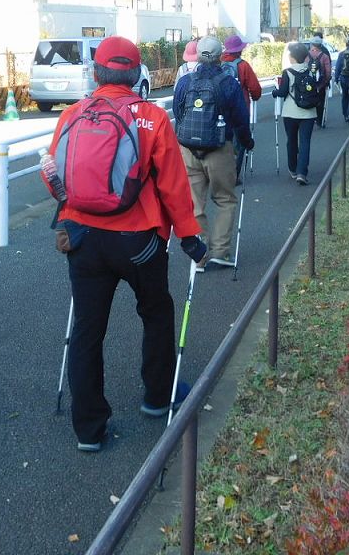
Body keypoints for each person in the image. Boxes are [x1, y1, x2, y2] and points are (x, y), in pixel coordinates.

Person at [46, 36, 208, 453]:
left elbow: (56, 177)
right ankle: (157, 396)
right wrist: (190, 237)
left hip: (82, 239)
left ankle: (89, 428)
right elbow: (174, 186)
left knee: (87, 327)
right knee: (155, 312)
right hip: (138, 240)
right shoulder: (152, 118)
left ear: (95, 73)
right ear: (137, 75)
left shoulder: (71, 116)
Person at [172, 35, 254, 270]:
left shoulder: (185, 82)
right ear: (220, 56)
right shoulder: (228, 83)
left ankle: (200, 255)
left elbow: (179, 112)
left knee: (195, 203)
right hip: (219, 148)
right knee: (224, 199)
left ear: (197, 56)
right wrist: (247, 142)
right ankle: (220, 251)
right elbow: (240, 119)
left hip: (188, 149)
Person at [272, 42, 317, 185]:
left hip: (290, 113)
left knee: (291, 141)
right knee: (305, 142)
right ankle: (302, 173)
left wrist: (274, 92)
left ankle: (292, 169)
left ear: (292, 57)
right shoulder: (310, 71)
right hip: (308, 113)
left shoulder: (288, 72)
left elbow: (283, 92)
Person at [308, 33, 332, 128]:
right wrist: (327, 80)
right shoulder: (324, 56)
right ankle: (319, 121)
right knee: (320, 102)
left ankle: (311, 119)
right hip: (320, 84)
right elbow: (328, 71)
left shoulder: (307, 55)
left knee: (310, 100)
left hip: (309, 83)